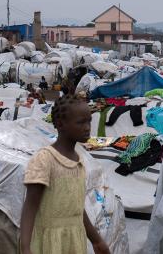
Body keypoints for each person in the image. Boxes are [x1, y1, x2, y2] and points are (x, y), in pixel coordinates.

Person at [20, 96, 110, 254]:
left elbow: (76, 208)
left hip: (74, 242)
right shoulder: (45, 159)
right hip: (50, 244)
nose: (88, 127)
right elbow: (30, 207)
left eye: (89, 121)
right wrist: (26, 247)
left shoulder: (79, 161)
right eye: (81, 122)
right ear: (61, 124)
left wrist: (96, 240)